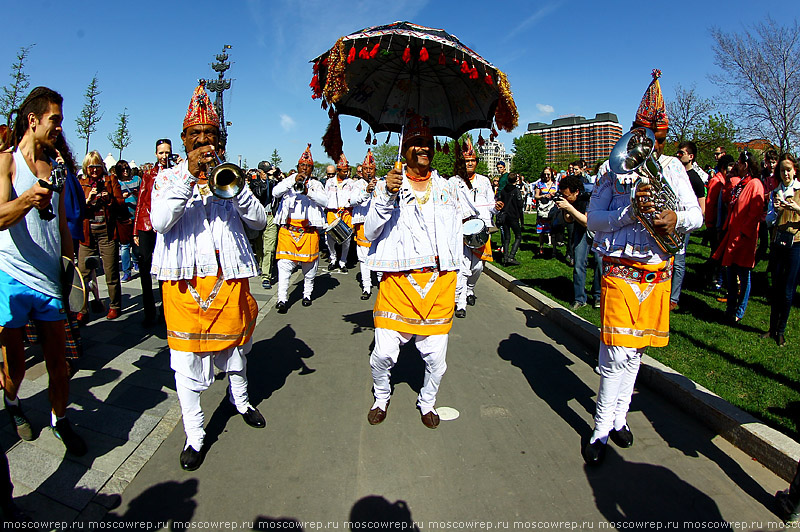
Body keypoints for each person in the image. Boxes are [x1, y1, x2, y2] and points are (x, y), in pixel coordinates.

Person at [583, 70, 703, 465]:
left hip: (656, 271)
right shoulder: (610, 169)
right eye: (646, 136)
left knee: (635, 355)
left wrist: (674, 219)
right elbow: (593, 218)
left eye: (660, 138)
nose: (652, 146)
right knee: (616, 353)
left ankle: (619, 418)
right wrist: (627, 213)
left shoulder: (673, 169)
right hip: (620, 268)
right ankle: (600, 428)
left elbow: (696, 216)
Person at [150, 82, 267, 471]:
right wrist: (189, 179)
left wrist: (237, 191)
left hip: (228, 282)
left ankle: (241, 400)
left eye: (210, 136)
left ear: (219, 140)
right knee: (186, 364)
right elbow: (161, 222)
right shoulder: (166, 180)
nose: (203, 143)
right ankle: (196, 435)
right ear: (184, 140)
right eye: (196, 136)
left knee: (234, 351)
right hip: (184, 288)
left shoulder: (230, 179)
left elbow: (259, 222)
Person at [364, 114, 476, 429]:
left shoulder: (450, 187)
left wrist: (476, 232)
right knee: (384, 354)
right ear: (405, 149)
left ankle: (427, 402)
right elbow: (371, 231)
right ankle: (381, 396)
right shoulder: (390, 185)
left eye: (427, 142)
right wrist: (386, 194)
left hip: (440, 282)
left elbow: (471, 224)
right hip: (398, 283)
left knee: (436, 363)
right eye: (416, 142)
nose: (424, 148)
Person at [0, 86, 86, 456]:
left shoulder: (54, 168)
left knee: (59, 362)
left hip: (50, 280)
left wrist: (74, 270)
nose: (59, 127)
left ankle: (59, 419)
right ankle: (14, 404)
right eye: (55, 120)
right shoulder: (6, 162)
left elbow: (62, 228)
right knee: (16, 365)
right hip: (12, 278)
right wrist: (25, 199)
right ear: (33, 120)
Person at [273, 145, 328, 312]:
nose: (305, 169)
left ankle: (307, 294)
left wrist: (307, 191)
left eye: (308, 166)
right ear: (298, 167)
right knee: (284, 266)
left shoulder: (317, 184)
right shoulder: (289, 182)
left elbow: (326, 202)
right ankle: (282, 298)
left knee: (309, 269)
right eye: (302, 166)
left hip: (309, 232)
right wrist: (292, 180)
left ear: (312, 168)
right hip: (288, 231)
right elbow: (275, 192)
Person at [712, 150, 765, 324]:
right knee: (731, 272)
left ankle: (739, 311)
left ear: (746, 165)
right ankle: (730, 308)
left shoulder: (755, 184)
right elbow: (729, 199)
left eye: (739, 163)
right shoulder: (741, 183)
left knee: (743, 274)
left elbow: (754, 213)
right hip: (733, 234)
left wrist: (743, 233)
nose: (737, 166)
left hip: (744, 238)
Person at [451, 138, 498, 318]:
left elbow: (491, 204)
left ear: (476, 162)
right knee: (462, 268)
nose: (469, 164)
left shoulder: (484, 181)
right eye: (466, 161)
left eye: (472, 161)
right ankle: (460, 303)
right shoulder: (455, 182)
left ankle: (470, 289)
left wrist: (496, 207)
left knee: (478, 267)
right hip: (461, 229)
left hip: (481, 229)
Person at [76, 151, 125, 322]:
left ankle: (114, 306)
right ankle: (82, 308)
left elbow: (121, 203)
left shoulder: (110, 180)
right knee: (83, 273)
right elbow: (76, 208)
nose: (94, 170)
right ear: (86, 168)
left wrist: (109, 198)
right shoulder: (81, 182)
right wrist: (87, 201)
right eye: (91, 167)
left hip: (107, 233)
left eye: (97, 166)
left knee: (111, 272)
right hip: (87, 234)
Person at [134, 139, 175, 326]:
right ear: (156, 154)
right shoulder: (149, 174)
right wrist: (135, 230)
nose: (164, 156)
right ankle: (148, 312)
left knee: (164, 270)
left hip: (165, 225)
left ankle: (165, 312)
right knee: (144, 268)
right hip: (146, 224)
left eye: (167, 152)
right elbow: (141, 201)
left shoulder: (176, 172)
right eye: (161, 152)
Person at [762, 153, 800, 347]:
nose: (786, 173)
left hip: (795, 244)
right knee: (775, 287)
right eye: (782, 170)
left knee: (787, 289)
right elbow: (768, 221)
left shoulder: (799, 191)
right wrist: (775, 211)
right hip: (778, 242)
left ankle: (782, 330)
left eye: (789, 169)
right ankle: (772, 327)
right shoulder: (775, 192)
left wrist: (797, 208)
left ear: (795, 171)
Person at [670, 141, 706, 310]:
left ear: (691, 157)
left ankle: (674, 298)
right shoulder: (675, 173)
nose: (679, 155)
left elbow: (701, 209)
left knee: (678, 261)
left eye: (682, 153)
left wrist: (687, 221)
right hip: (671, 221)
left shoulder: (696, 179)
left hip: (683, 225)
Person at [554, 174, 599, 310]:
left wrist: (569, 207)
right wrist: (565, 209)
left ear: (576, 192)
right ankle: (579, 298)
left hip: (597, 231)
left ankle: (598, 295)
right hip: (580, 232)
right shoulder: (570, 203)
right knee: (579, 264)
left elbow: (586, 222)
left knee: (599, 264)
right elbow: (569, 220)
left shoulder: (588, 198)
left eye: (567, 195)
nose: (566, 198)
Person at [351, 150, 378, 300]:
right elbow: (353, 201)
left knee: (381, 253)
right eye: (366, 169)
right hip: (362, 225)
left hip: (379, 225)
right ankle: (366, 287)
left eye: (371, 169)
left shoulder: (381, 183)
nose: (368, 172)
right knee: (363, 258)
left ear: (375, 170)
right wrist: (366, 192)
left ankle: (381, 282)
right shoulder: (357, 185)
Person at [249, 161, 279, 290]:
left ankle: (266, 276)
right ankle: (262, 266)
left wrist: (275, 179)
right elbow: (260, 193)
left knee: (269, 248)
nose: (268, 175)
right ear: (260, 172)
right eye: (265, 173)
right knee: (259, 246)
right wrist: (268, 181)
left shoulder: (275, 183)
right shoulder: (254, 183)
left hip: (271, 216)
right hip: (259, 217)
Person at [325, 154, 355, 273]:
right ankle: (333, 258)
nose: (346, 173)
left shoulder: (351, 182)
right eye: (343, 171)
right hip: (332, 213)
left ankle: (343, 261)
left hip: (346, 213)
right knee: (330, 238)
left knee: (346, 239)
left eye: (347, 171)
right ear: (338, 171)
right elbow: (325, 198)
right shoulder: (329, 182)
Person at [116, 160, 139, 283]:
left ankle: (136, 262)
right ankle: (126, 272)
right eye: (122, 169)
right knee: (125, 246)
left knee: (136, 243)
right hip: (123, 218)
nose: (125, 171)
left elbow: (143, 194)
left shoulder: (137, 179)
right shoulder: (117, 183)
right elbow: (114, 199)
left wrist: (137, 193)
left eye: (126, 168)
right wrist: (121, 198)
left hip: (136, 216)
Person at [498, 173, 524, 265]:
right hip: (513, 216)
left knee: (506, 238)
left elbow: (500, 200)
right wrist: (522, 220)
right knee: (518, 236)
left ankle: (505, 257)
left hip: (505, 215)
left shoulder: (504, 190)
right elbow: (520, 205)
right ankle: (511, 256)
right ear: (516, 180)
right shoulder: (516, 190)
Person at [535, 167, 558, 256]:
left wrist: (554, 195)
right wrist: (543, 196)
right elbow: (536, 196)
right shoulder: (539, 184)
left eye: (548, 174)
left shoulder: (556, 184)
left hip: (552, 208)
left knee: (553, 229)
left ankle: (554, 249)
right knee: (541, 230)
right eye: (545, 174)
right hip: (543, 208)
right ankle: (541, 247)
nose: (546, 176)